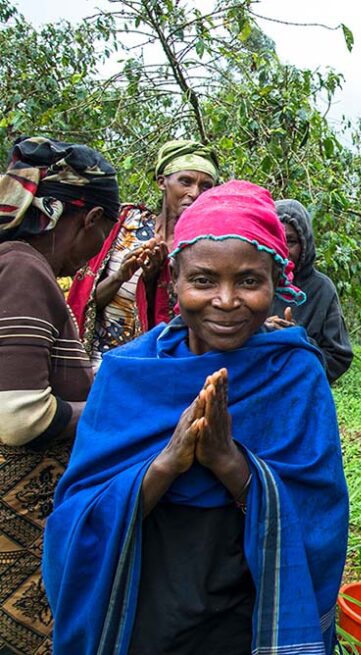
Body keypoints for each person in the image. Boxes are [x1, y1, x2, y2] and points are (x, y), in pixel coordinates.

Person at [42, 180, 348, 655]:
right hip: (144, 604)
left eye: (249, 280)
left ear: (277, 282)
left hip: (249, 614)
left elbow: (319, 518)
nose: (226, 300)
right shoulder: (129, 376)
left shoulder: (294, 375)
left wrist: (229, 461)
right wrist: (167, 463)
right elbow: (77, 517)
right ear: (176, 279)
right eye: (204, 280)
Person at [0, 136, 119, 655]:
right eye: (104, 232)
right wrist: (106, 408)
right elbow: (18, 415)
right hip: (14, 545)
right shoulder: (23, 270)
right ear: (90, 220)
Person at [67, 139, 218, 370]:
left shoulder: (205, 247)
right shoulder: (126, 224)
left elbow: (191, 325)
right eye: (185, 181)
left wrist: (152, 281)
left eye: (206, 186)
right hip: (96, 365)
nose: (194, 193)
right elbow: (87, 300)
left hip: (150, 372)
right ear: (162, 182)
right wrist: (120, 276)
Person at [267, 199, 352, 383]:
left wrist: (299, 339)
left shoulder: (321, 289)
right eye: (276, 239)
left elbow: (339, 357)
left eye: (290, 241)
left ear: (305, 244)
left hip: (299, 394)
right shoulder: (251, 282)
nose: (283, 250)